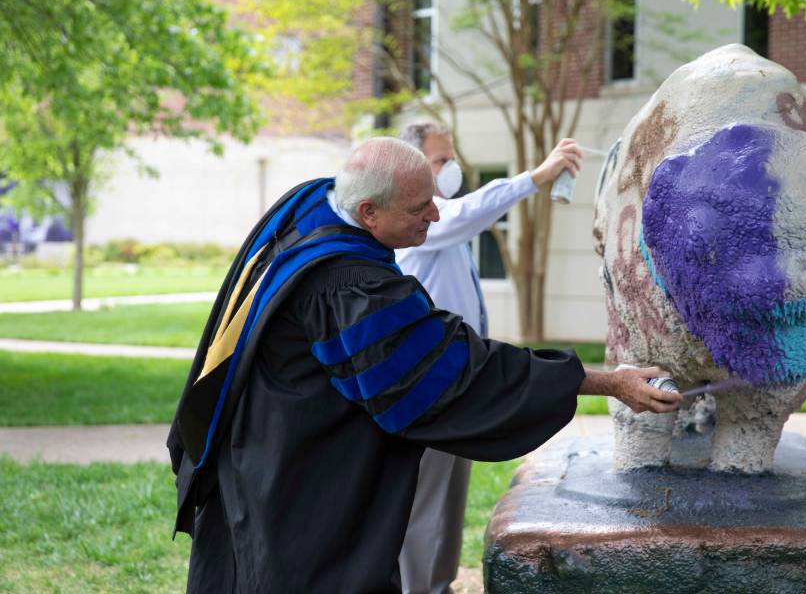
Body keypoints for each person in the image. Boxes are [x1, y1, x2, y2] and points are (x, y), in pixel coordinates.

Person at [167, 137, 680, 593]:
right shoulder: (349, 286)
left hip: (257, 443)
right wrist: (602, 381)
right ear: (368, 212)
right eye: (420, 208)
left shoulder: (311, 204)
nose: (435, 216)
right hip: (297, 478)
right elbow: (452, 375)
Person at [394, 122, 582, 594]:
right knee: (426, 498)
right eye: (440, 160)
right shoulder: (427, 225)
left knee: (450, 496)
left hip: (462, 378)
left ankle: (438, 584)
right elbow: (470, 211)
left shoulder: (446, 223)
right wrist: (536, 177)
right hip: (431, 383)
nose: (451, 168)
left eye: (450, 157)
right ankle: (416, 587)